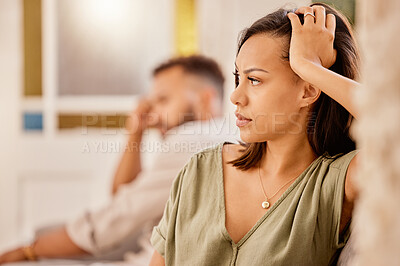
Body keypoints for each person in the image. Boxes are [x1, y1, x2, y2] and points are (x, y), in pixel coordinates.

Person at [149, 3, 361, 266]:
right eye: (239, 77)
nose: (236, 96)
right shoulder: (199, 171)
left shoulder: (337, 183)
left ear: (308, 91)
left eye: (255, 80)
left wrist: (311, 69)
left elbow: (391, 128)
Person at [0, 56, 237, 264]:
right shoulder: (228, 136)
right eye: (150, 105)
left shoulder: (191, 141)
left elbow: (111, 221)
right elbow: (125, 198)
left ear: (206, 100)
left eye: (163, 100)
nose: (153, 116)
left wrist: (28, 251)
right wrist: (136, 131)